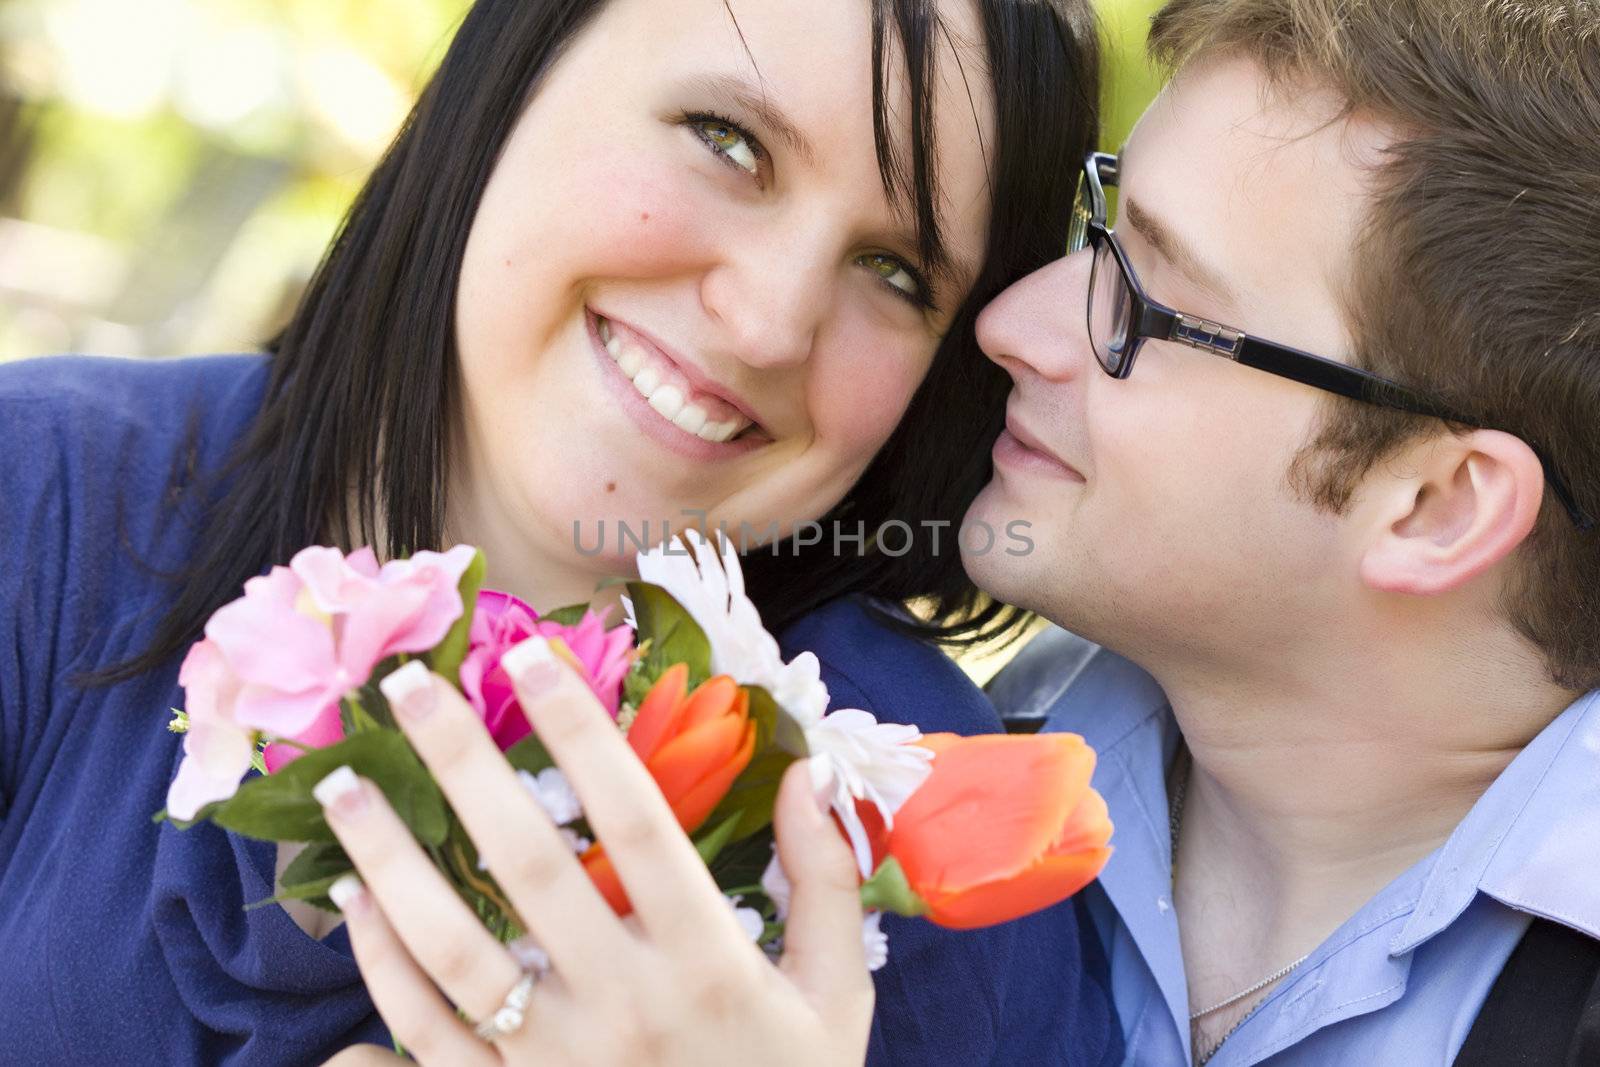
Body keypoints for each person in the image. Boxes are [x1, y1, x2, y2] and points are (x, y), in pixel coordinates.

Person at [0, 0, 1120, 1065]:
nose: (771, 320)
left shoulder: (918, 821)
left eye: (893, 270)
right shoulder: (43, 495)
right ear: (515, 64)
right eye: (727, 140)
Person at [963, 0, 1600, 1063]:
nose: (1010, 326)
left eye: (1146, 307)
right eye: (1100, 228)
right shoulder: (922, 750)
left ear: (1436, 506)